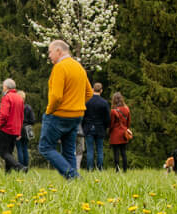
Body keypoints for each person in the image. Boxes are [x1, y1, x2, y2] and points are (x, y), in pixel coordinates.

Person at [38, 40, 93, 179]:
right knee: (68, 151)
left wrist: (49, 110)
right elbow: (89, 93)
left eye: (50, 52)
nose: (49, 55)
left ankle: (74, 177)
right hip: (76, 116)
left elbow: (56, 96)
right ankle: (74, 184)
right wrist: (76, 104)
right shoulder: (79, 67)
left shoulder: (59, 67)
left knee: (45, 147)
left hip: (58, 115)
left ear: (58, 51)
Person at [0, 79, 27, 173]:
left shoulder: (7, 97)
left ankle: (20, 167)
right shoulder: (19, 98)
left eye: (3, 86)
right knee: (9, 153)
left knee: (3, 153)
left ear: (6, 87)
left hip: (6, 129)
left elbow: (4, 114)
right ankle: (7, 173)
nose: (2, 88)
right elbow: (21, 116)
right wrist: (19, 130)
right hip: (15, 130)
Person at [83, 82, 111, 170]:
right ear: (101, 90)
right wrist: (106, 127)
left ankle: (90, 169)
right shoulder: (104, 103)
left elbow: (83, 116)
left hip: (88, 127)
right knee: (100, 150)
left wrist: (84, 126)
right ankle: (100, 168)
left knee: (90, 150)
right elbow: (107, 118)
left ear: (92, 90)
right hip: (100, 128)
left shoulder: (87, 102)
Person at [108, 92, 131, 172]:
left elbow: (111, 124)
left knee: (116, 153)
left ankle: (117, 170)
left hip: (115, 133)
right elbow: (128, 123)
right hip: (124, 133)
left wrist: (109, 132)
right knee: (123, 152)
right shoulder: (127, 109)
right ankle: (125, 170)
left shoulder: (113, 111)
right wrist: (126, 129)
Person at [16, 91, 36, 168]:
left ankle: (21, 167)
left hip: (18, 129)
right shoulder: (28, 107)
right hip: (27, 130)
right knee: (25, 148)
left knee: (19, 149)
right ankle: (26, 166)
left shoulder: (15, 108)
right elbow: (33, 120)